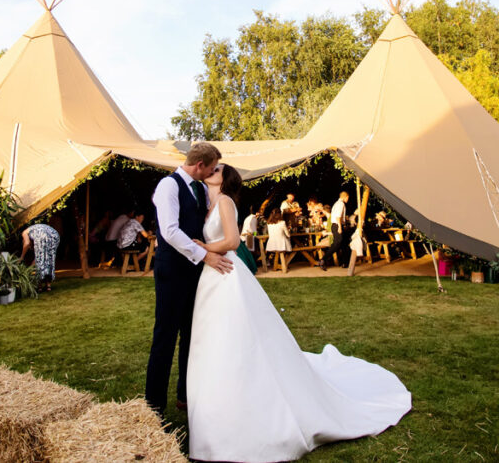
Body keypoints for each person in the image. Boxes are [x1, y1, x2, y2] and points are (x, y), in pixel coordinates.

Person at [187, 164, 412, 461]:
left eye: (216, 169)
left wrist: (203, 247)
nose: (210, 170)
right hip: (213, 275)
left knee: (236, 331)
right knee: (215, 335)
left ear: (224, 179)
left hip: (226, 271)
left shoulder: (226, 202)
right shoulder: (207, 202)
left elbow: (231, 241)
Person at [145, 142, 231, 418]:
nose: (213, 172)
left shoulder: (202, 189)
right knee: (165, 335)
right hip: (172, 270)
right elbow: (169, 231)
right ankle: (154, 404)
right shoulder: (168, 186)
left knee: (191, 335)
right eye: (212, 167)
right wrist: (205, 256)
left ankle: (185, 395)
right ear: (200, 166)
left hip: (196, 273)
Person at [21, 221, 61, 292]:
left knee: (39, 261)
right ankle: (48, 285)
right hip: (54, 235)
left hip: (42, 235)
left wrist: (22, 256)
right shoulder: (34, 230)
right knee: (49, 260)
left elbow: (26, 243)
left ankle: (39, 285)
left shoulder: (24, 233)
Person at [318, 191, 350, 270]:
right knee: (337, 244)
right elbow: (338, 217)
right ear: (345, 197)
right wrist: (339, 227)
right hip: (337, 225)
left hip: (336, 225)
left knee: (344, 244)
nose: (348, 200)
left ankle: (345, 263)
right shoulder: (340, 204)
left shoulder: (336, 203)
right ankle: (323, 260)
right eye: (347, 198)